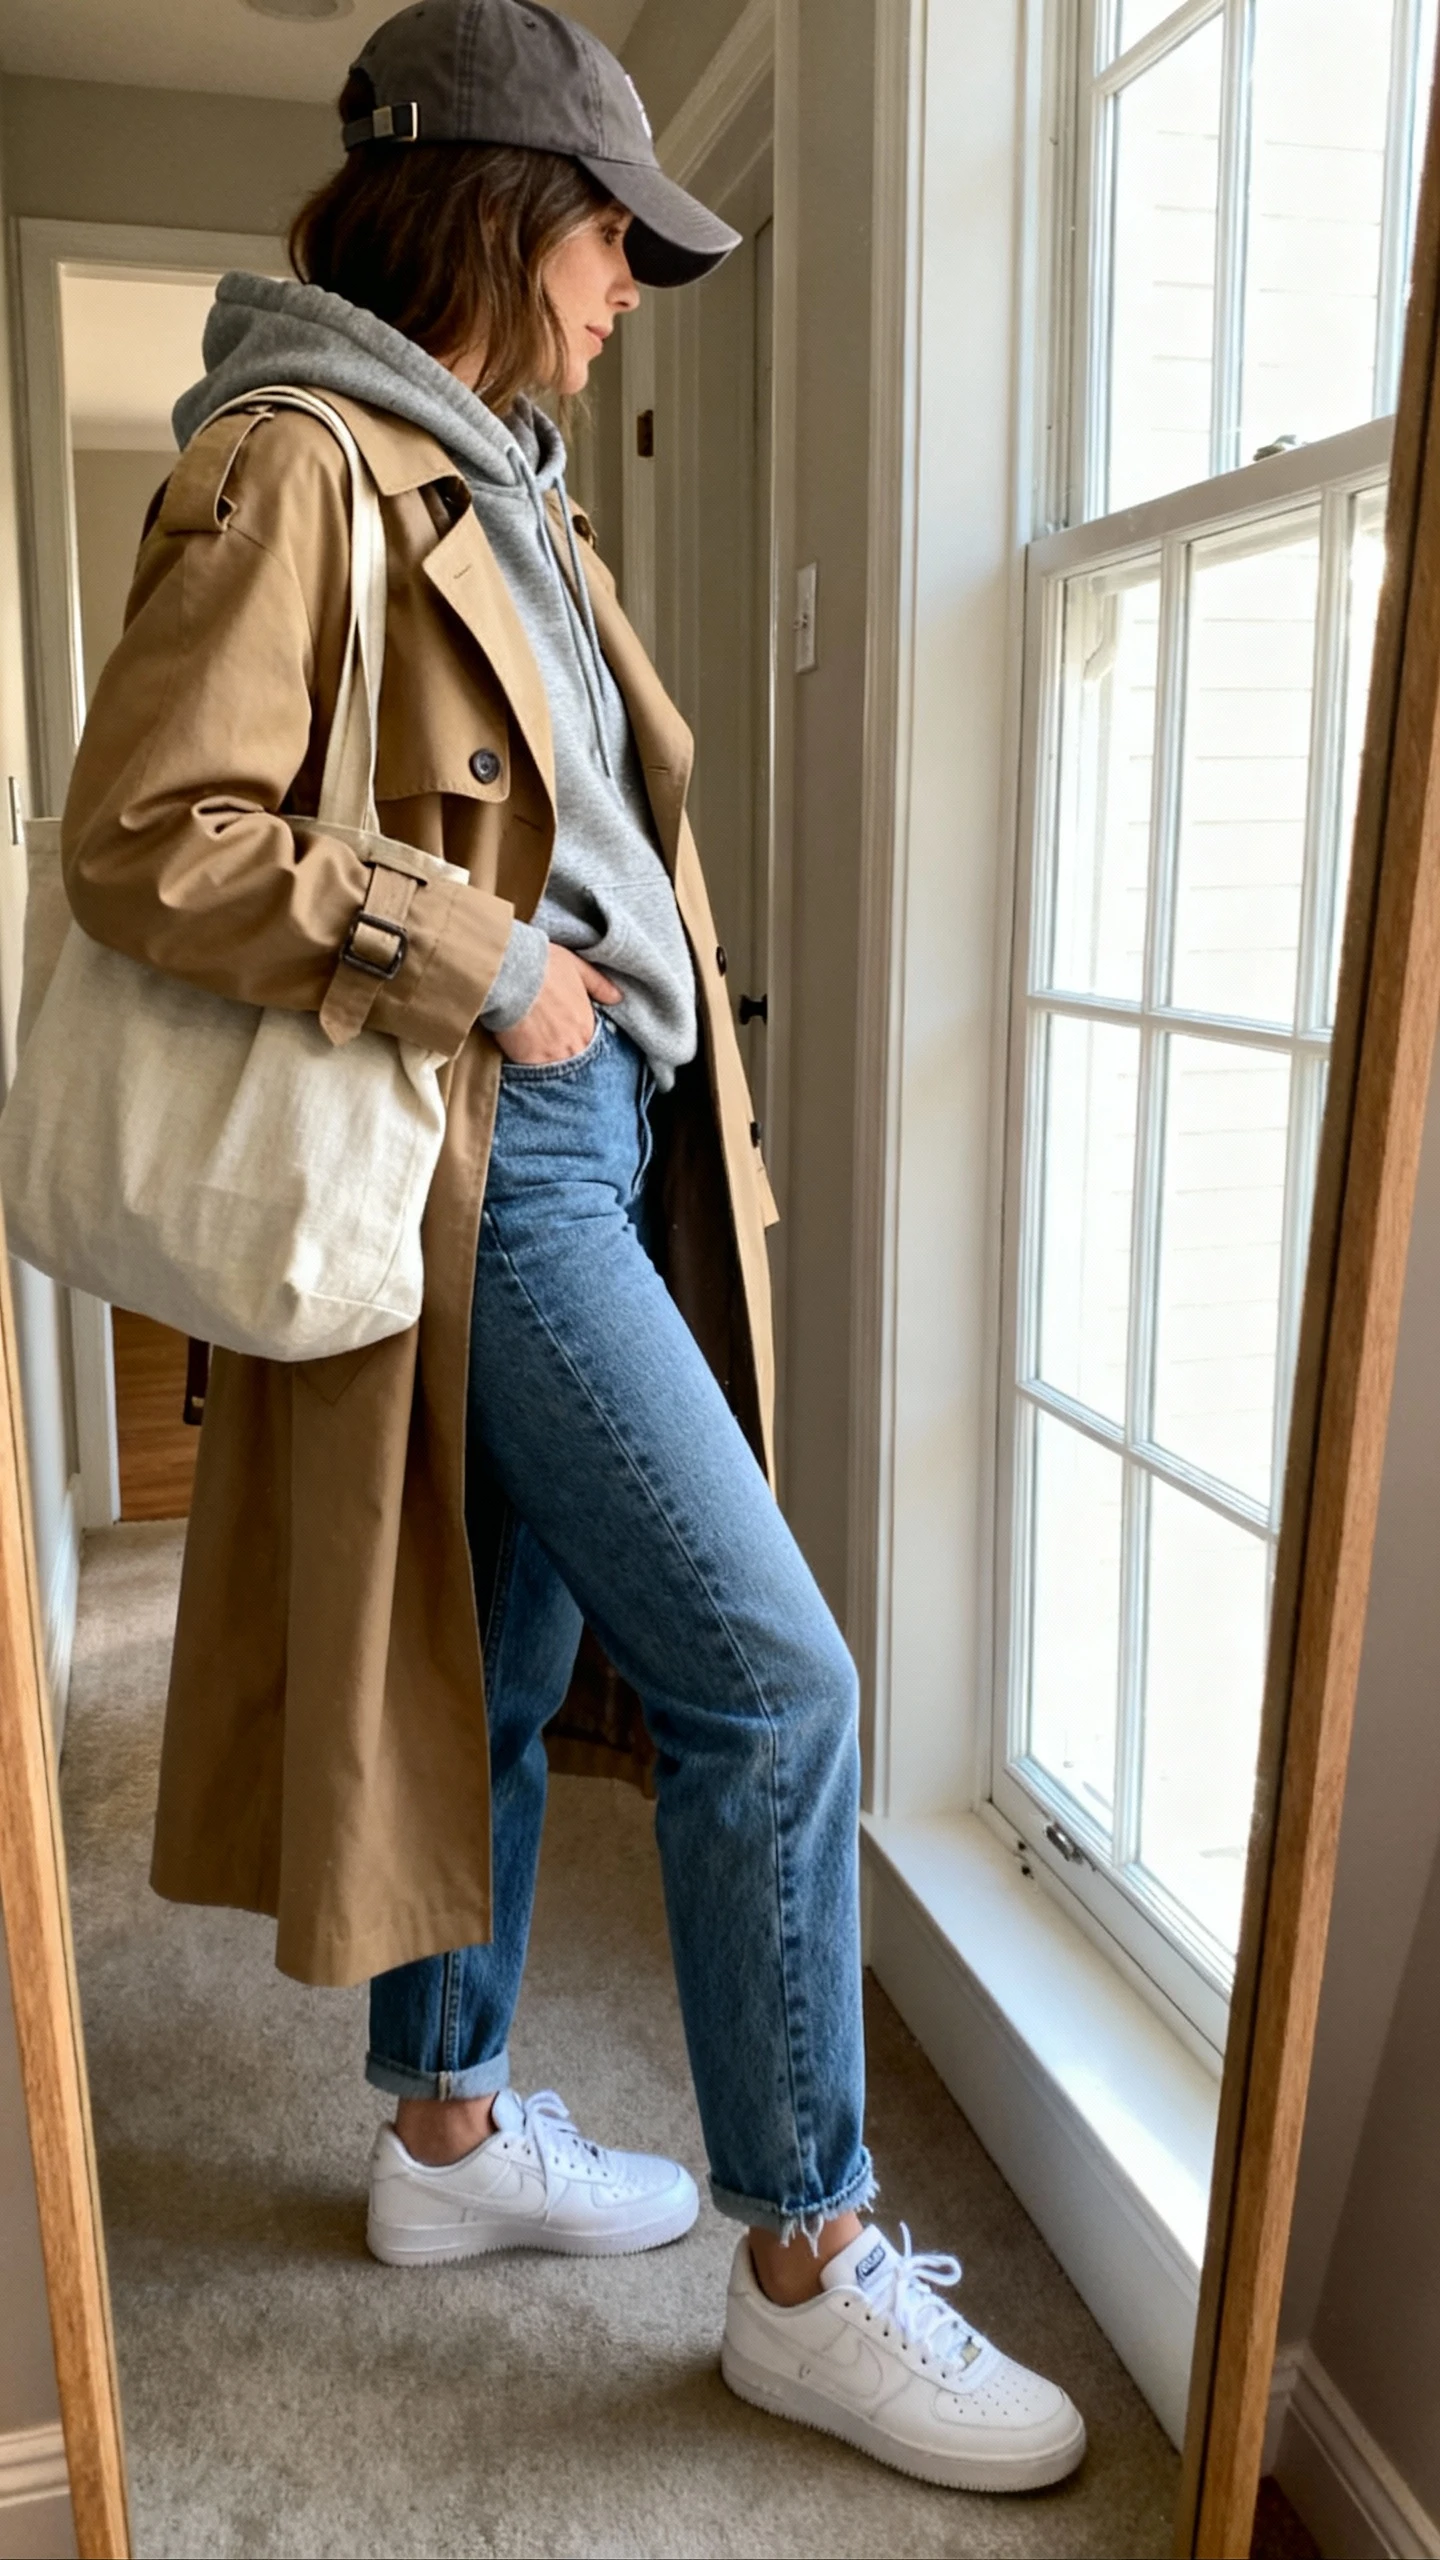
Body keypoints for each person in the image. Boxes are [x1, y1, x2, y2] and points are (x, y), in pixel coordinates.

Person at [62, 0, 1085, 2496]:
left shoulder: (491, 468)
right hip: (481, 1152)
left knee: (498, 1659)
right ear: (503, 210)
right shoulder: (297, 460)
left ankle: (446, 2131)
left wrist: (596, 1007)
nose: (635, 287)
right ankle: (812, 2262)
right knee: (777, 1679)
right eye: (620, 235)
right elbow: (143, 829)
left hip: (588, 1133)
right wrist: (483, 958)